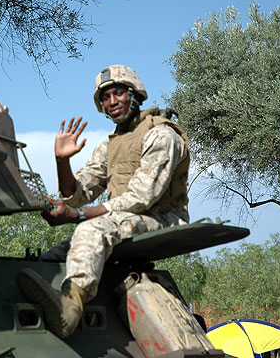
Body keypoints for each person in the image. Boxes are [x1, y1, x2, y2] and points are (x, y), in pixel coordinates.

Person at [17, 64, 191, 338]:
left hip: (163, 219)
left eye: (118, 94)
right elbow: (78, 193)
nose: (111, 103)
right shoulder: (111, 145)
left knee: (89, 229)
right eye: (105, 98)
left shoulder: (162, 135)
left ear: (134, 94)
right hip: (122, 220)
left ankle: (70, 310)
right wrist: (62, 160)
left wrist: (78, 217)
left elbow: (142, 197)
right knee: (52, 258)